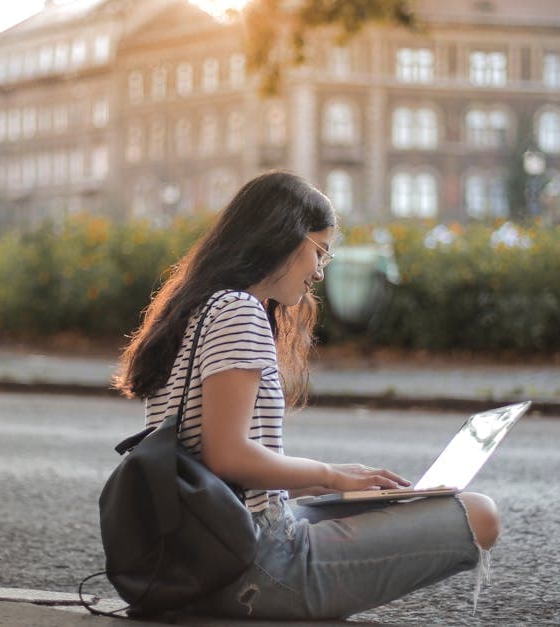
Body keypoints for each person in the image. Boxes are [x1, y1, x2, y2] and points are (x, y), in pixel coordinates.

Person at [113, 171, 500, 619]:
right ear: (280, 238)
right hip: (247, 563)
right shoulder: (239, 310)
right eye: (318, 251)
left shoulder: (191, 309)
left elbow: (209, 459)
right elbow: (227, 457)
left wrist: (334, 477)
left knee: (391, 503)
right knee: (479, 514)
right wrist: (333, 478)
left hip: (199, 550)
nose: (319, 271)